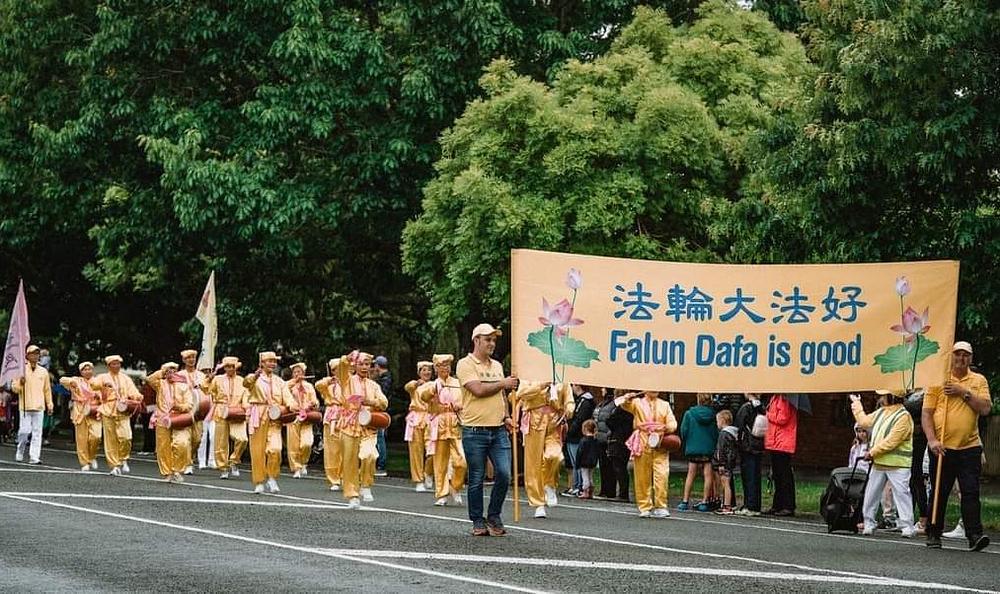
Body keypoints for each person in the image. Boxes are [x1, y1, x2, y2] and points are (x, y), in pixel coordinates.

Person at [923, 341, 991, 552]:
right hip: (942, 446)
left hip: (969, 446)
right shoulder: (938, 379)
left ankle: (974, 534)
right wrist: (932, 440)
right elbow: (927, 413)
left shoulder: (978, 380)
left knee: (970, 491)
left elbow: (986, 409)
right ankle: (934, 532)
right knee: (939, 491)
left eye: (965, 355)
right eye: (957, 354)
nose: (961, 358)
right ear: (951, 356)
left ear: (970, 358)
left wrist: (963, 391)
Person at [456, 323, 518, 536]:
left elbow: (502, 396)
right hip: (475, 430)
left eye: (494, 340)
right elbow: (478, 390)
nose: (492, 343)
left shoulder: (497, 366)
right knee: (476, 477)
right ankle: (477, 520)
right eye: (488, 339)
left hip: (498, 428)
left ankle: (494, 515)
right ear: (476, 341)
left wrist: (508, 416)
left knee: (504, 473)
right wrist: (504, 384)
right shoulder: (465, 364)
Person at [850, 391, 916, 538]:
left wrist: (872, 452)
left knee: (901, 494)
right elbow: (864, 422)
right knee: (871, 494)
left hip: (897, 464)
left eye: (883, 395)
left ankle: (907, 526)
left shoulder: (904, 416)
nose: (880, 398)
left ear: (892, 396)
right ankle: (869, 523)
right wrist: (856, 404)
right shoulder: (882, 412)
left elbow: (892, 441)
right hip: (880, 462)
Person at [333, 351, 389, 508]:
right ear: (355, 365)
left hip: (368, 424)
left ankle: (366, 485)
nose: (365, 367)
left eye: (367, 364)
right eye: (361, 364)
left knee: (369, 455)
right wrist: (347, 358)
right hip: (350, 424)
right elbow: (342, 366)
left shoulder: (374, 385)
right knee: (349, 460)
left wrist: (369, 401)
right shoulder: (347, 380)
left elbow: (384, 403)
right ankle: (352, 495)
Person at [512, 380, 573, 518]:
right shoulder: (530, 376)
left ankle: (549, 484)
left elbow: (569, 398)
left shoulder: (561, 377)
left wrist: (569, 408)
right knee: (533, 463)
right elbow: (521, 394)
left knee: (555, 456)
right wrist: (540, 386)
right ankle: (538, 503)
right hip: (534, 421)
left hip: (554, 423)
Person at [615, 390, 678, 518]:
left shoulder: (664, 405)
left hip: (659, 442)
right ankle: (645, 506)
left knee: (662, 474)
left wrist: (667, 428)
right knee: (642, 476)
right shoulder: (637, 403)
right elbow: (621, 404)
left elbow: (672, 423)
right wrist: (627, 397)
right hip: (643, 441)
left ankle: (661, 505)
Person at [245, 351, 298, 494]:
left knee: (275, 449)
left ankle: (272, 477)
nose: (272, 364)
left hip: (274, 417)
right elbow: (247, 383)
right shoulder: (255, 378)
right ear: (262, 363)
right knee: (257, 451)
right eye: (269, 361)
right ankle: (259, 481)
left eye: (274, 361)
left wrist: (293, 405)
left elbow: (287, 397)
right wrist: (255, 376)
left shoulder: (279, 381)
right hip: (258, 415)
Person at [419, 354, 467, 507]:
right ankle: (441, 493)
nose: (445, 368)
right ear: (436, 368)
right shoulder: (432, 385)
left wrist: (460, 405)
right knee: (440, 461)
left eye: (447, 365)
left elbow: (465, 400)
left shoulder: (457, 383)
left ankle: (456, 486)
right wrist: (434, 389)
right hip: (438, 424)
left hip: (454, 423)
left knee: (461, 461)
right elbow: (423, 396)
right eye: (441, 365)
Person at [93, 354, 142, 475]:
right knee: (110, 439)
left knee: (126, 437)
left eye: (118, 363)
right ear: (109, 366)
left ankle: (123, 458)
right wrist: (104, 386)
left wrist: (137, 396)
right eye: (113, 364)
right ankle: (114, 465)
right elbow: (94, 386)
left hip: (123, 410)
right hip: (108, 410)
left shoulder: (125, 378)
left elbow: (133, 391)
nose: (116, 366)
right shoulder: (102, 377)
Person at [146, 362, 195, 482]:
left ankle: (177, 470)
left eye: (173, 370)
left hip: (179, 420)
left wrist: (178, 406)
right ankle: (167, 472)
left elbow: (189, 405)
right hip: (162, 419)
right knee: (163, 447)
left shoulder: (183, 385)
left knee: (182, 443)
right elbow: (149, 379)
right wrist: (162, 372)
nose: (170, 373)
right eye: (168, 370)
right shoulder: (160, 384)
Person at [678, 393, 718, 512]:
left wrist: (687, 441)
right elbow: (716, 432)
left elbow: (683, 430)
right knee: (708, 475)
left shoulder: (689, 414)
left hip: (693, 447)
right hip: (708, 447)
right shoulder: (713, 415)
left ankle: (685, 500)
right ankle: (705, 501)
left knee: (691, 474)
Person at [59, 361, 102, 471]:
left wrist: (98, 396)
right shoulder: (77, 380)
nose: (87, 371)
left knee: (96, 436)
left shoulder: (97, 382)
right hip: (80, 410)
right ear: (81, 371)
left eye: (89, 369)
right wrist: (72, 382)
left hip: (93, 411)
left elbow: (105, 394)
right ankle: (84, 462)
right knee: (81, 438)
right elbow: (62, 380)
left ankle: (91, 456)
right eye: (84, 369)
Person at [13, 345, 53, 464]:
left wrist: (49, 404)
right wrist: (20, 382)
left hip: (39, 406)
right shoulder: (21, 370)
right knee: (24, 431)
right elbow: (15, 388)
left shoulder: (43, 371)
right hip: (25, 406)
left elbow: (47, 389)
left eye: (37, 354)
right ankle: (20, 449)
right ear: (27, 356)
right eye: (32, 354)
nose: (35, 356)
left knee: (37, 432)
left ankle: (34, 456)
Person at [210, 356, 249, 479]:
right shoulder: (217, 379)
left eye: (232, 366)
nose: (230, 369)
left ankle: (234, 460)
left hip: (237, 412)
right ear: (224, 368)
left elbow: (246, 397)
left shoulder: (242, 381)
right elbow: (209, 391)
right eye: (227, 367)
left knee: (242, 439)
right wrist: (208, 379)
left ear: (236, 367)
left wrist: (246, 409)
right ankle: (223, 467)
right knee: (221, 442)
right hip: (221, 411)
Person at [764, 393, 798, 516]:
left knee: (784, 475)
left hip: (782, 442)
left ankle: (787, 505)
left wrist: (767, 414)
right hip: (776, 441)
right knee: (778, 475)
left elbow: (782, 418)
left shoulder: (784, 399)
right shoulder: (776, 398)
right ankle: (777, 504)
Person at [179, 349, 211, 474]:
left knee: (197, 439)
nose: (191, 360)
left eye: (193, 357)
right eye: (188, 358)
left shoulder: (201, 375)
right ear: (184, 360)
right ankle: (188, 464)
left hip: (199, 410)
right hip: (185, 409)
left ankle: (190, 457)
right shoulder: (180, 375)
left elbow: (208, 391)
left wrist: (209, 381)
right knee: (186, 438)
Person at [404, 360, 434, 492]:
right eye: (424, 370)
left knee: (433, 450)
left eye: (429, 370)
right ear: (419, 372)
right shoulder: (414, 386)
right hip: (416, 418)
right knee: (416, 451)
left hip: (431, 418)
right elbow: (408, 387)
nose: (427, 372)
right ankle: (418, 480)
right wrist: (417, 383)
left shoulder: (435, 385)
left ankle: (428, 472)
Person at [286, 362, 320, 478]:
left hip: (307, 417)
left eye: (299, 372)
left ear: (304, 373)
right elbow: (284, 394)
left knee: (307, 443)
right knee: (293, 445)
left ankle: (304, 462)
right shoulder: (289, 385)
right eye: (295, 372)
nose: (297, 374)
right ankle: (296, 468)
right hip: (294, 417)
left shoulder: (309, 386)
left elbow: (315, 400)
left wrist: (312, 404)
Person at [734, 393, 765, 516]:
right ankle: (756, 505)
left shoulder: (746, 407)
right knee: (756, 475)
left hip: (747, 445)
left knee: (748, 475)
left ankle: (749, 505)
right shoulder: (762, 407)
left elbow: (739, 425)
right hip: (759, 444)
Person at [316, 358, 344, 491]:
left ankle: (347, 475)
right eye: (336, 369)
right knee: (332, 448)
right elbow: (318, 385)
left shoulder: (350, 382)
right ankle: (334, 478)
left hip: (346, 415)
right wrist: (328, 381)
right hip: (332, 413)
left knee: (347, 447)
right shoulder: (328, 385)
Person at [563, 384, 595, 497]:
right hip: (574, 435)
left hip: (576, 436)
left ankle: (580, 487)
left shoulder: (584, 401)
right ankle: (576, 485)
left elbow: (579, 418)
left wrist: (570, 431)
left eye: (574, 385)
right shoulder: (580, 400)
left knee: (578, 462)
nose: (572, 387)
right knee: (574, 462)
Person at [713, 409, 739, 515]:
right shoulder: (732, 434)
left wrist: (720, 463)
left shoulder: (723, 434)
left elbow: (721, 450)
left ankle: (727, 505)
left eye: (718, 421)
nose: (717, 423)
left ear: (723, 421)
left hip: (724, 463)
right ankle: (727, 504)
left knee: (725, 484)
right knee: (726, 483)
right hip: (730, 462)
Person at [593, 388, 618, 499]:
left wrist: (608, 434)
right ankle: (604, 489)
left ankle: (610, 490)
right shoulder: (602, 403)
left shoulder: (613, 404)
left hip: (606, 437)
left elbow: (610, 419)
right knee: (603, 465)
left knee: (609, 466)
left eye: (603, 389)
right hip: (599, 437)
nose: (602, 390)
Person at [373, 355, 392, 477]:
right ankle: (379, 463)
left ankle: (381, 464)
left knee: (380, 437)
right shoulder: (386, 378)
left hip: (381, 411)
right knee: (379, 437)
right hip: (381, 410)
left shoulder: (385, 380)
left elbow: (382, 395)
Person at [576, 419, 600, 500]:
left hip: (584, 461)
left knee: (585, 477)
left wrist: (577, 462)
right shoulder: (595, 441)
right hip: (593, 461)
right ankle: (591, 491)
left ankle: (585, 491)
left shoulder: (583, 441)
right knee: (590, 476)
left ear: (585, 429)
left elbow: (580, 452)